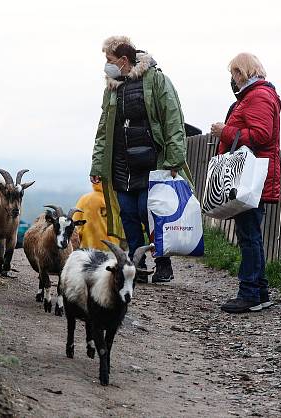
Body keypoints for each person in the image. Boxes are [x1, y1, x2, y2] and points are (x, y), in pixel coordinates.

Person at [89, 35, 192, 283]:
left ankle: (163, 264)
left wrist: (174, 160)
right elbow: (104, 128)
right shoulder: (113, 88)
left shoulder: (156, 81)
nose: (107, 64)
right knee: (128, 213)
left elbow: (173, 120)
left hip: (151, 163)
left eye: (110, 59)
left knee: (151, 213)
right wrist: (97, 163)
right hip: (121, 164)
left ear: (124, 60)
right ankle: (136, 265)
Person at [210, 52, 281, 313]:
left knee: (249, 236)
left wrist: (225, 132)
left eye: (234, 74)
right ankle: (259, 292)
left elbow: (262, 135)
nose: (233, 80)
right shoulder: (256, 95)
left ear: (242, 72)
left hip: (250, 178)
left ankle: (250, 293)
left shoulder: (258, 96)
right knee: (251, 235)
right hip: (253, 177)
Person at [73, 182, 120, 249]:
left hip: (88, 251)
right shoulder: (116, 200)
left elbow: (76, 228)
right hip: (113, 250)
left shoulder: (84, 200)